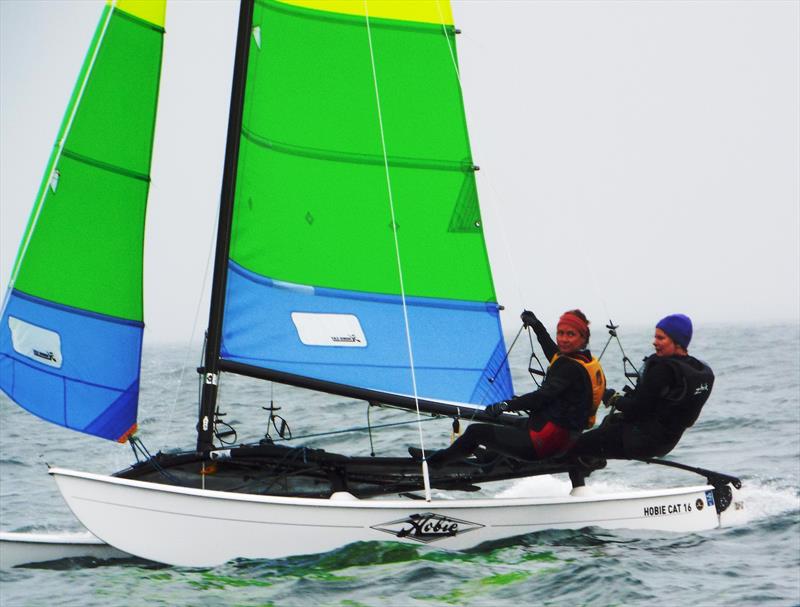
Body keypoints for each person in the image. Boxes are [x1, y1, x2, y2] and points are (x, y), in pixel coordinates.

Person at [409, 309, 606, 467]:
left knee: (477, 432)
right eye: (560, 333)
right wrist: (536, 326)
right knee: (511, 422)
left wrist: (505, 404)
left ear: (583, 338)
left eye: (570, 334)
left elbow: (542, 397)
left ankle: (433, 464)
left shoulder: (569, 368)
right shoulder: (583, 360)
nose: (563, 339)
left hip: (544, 444)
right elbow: (552, 351)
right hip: (563, 438)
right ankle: (488, 458)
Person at [569, 314, 714, 472]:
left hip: (639, 441)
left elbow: (637, 408)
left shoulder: (663, 370)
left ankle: (578, 486)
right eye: (655, 337)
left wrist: (612, 398)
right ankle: (591, 463)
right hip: (666, 442)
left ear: (678, 342)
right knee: (607, 425)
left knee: (575, 446)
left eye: (661, 338)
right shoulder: (695, 370)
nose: (655, 342)